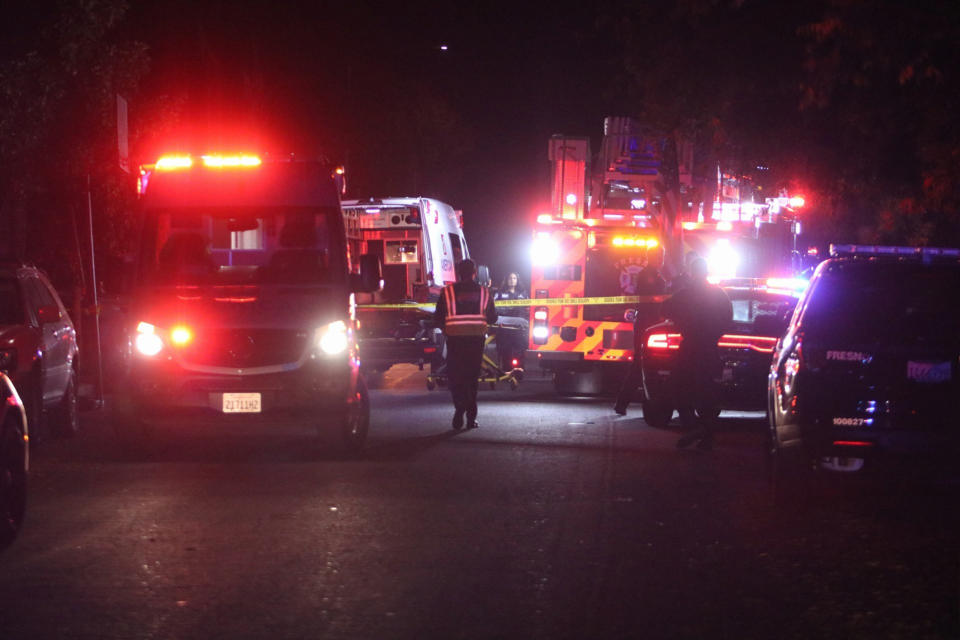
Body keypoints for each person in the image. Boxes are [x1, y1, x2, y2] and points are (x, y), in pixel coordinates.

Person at [661, 256, 732, 450]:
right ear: (706, 272)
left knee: (678, 389)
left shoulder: (686, 294)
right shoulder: (719, 295)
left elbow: (665, 309)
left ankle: (694, 427)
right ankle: (706, 434)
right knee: (706, 392)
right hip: (710, 348)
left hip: (690, 348)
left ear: (692, 273)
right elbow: (728, 318)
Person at [434, 259, 498, 430]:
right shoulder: (485, 292)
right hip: (476, 342)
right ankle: (471, 418)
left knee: (456, 378)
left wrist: (448, 327)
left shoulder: (447, 293)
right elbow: (493, 318)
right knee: (471, 379)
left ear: (458, 272)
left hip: (455, 342)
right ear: (474, 272)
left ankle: (459, 407)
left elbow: (438, 318)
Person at [613, 262, 667, 415]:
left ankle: (624, 403)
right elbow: (654, 300)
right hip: (647, 325)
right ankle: (628, 403)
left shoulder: (653, 274)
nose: (662, 260)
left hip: (647, 324)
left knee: (641, 365)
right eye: (660, 257)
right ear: (655, 257)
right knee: (641, 364)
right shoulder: (649, 275)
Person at [494, 272, 529, 369]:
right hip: (504, 327)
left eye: (514, 278)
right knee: (505, 349)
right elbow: (494, 307)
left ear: (517, 280)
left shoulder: (523, 294)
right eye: (510, 278)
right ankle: (506, 369)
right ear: (506, 280)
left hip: (519, 327)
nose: (512, 280)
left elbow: (528, 308)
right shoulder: (499, 293)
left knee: (520, 349)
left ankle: (519, 370)